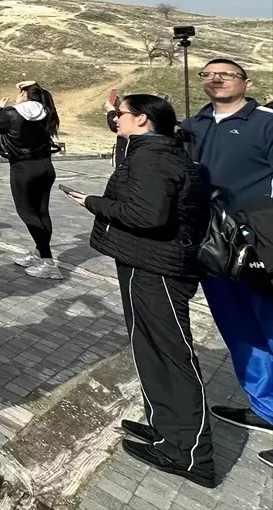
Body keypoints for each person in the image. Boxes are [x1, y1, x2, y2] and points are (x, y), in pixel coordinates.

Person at [64, 94, 215, 486]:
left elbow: (146, 215)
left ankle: (190, 453)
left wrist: (92, 203)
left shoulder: (154, 157)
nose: (115, 119)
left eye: (121, 114)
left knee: (171, 355)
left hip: (158, 267)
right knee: (148, 349)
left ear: (143, 120)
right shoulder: (154, 148)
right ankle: (166, 428)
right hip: (146, 263)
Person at [181, 59, 273, 441]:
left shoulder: (266, 122)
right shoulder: (191, 125)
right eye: (208, 74)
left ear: (246, 82)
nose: (216, 79)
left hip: (259, 242)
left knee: (268, 322)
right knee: (238, 328)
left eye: (227, 74)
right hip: (211, 246)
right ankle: (266, 408)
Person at [0, 81, 63, 279]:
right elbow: (45, 96)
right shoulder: (47, 110)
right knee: (42, 211)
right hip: (45, 166)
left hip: (23, 168)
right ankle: (39, 252)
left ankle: (48, 261)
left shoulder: (12, 113)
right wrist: (35, 85)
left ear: (25, 95)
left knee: (26, 212)